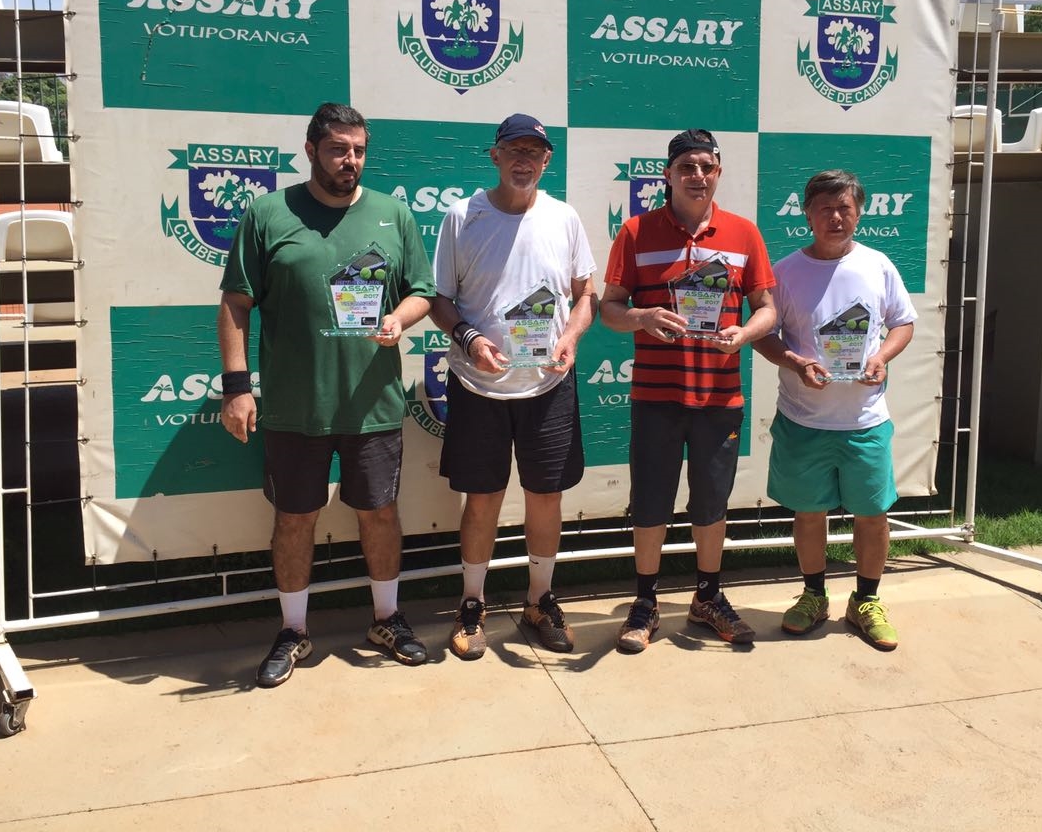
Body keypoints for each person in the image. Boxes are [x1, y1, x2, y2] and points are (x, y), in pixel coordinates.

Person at [219, 102, 436, 686]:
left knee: (380, 513)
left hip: (373, 403)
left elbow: (422, 290)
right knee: (294, 519)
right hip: (295, 405)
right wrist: (237, 387)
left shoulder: (393, 214)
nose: (350, 160)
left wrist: (399, 318)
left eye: (359, 150)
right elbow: (236, 303)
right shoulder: (268, 213)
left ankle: (387, 619)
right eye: (339, 149)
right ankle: (293, 630)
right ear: (311, 150)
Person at [430, 113, 598, 661]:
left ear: (546, 160)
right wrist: (471, 338)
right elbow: (439, 299)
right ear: (495, 156)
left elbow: (586, 293)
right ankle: (471, 604)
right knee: (482, 499)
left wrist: (571, 336)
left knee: (546, 497)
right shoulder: (463, 216)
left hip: (548, 385)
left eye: (534, 152)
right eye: (514, 150)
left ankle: (539, 600)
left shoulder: (564, 217)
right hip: (478, 384)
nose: (524, 160)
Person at [600, 128, 776, 653]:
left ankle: (707, 596)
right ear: (668, 174)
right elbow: (609, 309)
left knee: (712, 503)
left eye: (706, 167)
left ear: (718, 172)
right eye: (686, 167)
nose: (697, 176)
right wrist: (641, 316)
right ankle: (645, 601)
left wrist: (744, 334)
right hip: (656, 396)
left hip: (719, 396)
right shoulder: (636, 231)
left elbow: (767, 310)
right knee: (651, 501)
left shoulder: (744, 233)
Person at [752, 169, 917, 651]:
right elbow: (763, 333)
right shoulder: (785, 272)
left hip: (865, 421)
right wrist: (794, 362)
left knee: (872, 515)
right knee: (809, 513)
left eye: (844, 207)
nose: (836, 217)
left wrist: (881, 357)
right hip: (803, 419)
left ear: (859, 212)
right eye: (825, 208)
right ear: (807, 214)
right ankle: (813, 595)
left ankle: (866, 601)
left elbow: (903, 323)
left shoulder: (877, 264)